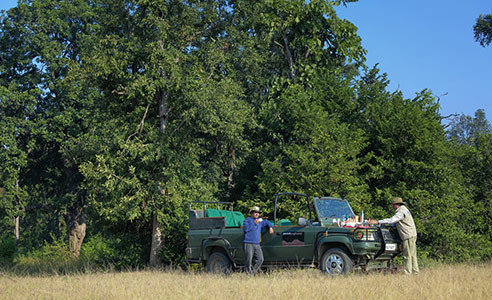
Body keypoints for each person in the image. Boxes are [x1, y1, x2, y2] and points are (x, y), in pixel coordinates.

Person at [368, 197, 419, 274]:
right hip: (411, 234)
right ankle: (415, 271)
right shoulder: (404, 209)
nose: (392, 206)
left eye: (393, 205)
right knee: (412, 255)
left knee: (407, 255)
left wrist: (377, 222)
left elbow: (392, 220)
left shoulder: (401, 212)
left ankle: (408, 272)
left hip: (407, 235)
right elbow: (396, 222)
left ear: (397, 205)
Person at [243, 206, 274, 274]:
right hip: (248, 243)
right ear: (251, 213)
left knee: (260, 259)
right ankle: (248, 274)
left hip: (257, 243)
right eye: (255, 212)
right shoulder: (247, 220)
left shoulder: (260, 221)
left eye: (258, 213)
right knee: (248, 260)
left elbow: (267, 222)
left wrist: (270, 227)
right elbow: (246, 229)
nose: (257, 214)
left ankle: (253, 273)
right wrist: (255, 223)